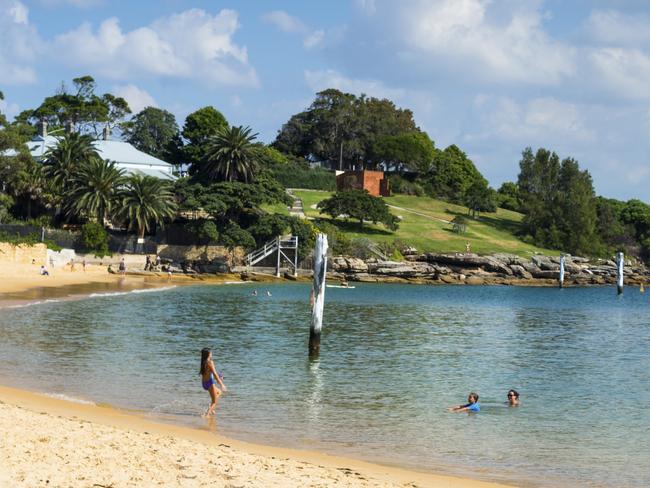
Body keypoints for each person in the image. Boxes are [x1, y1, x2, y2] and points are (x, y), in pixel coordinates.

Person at [200, 348, 227, 416]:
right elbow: (214, 373)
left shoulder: (203, 362)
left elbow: (209, 373)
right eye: (211, 353)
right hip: (210, 383)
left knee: (219, 392)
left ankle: (211, 409)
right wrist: (222, 384)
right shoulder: (210, 362)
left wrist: (219, 376)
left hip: (204, 383)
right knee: (214, 402)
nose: (211, 354)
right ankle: (207, 414)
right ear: (208, 354)